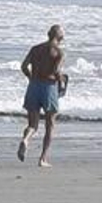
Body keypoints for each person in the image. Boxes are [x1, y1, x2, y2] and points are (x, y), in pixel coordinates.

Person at [19, 25, 66, 168]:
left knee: (32, 124)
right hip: (48, 87)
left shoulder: (35, 49)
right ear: (60, 37)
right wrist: (62, 82)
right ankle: (42, 159)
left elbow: (24, 66)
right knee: (50, 125)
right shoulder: (59, 52)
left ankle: (26, 139)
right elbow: (57, 71)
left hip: (33, 86)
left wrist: (30, 78)